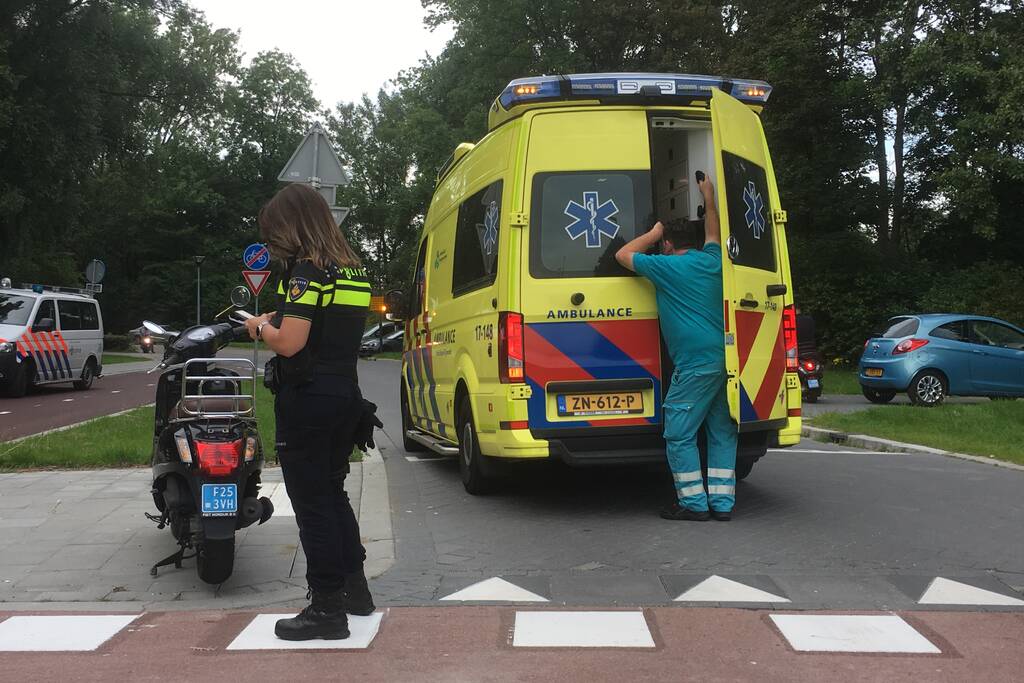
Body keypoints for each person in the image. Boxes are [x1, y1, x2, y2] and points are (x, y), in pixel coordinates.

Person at [245, 183, 378, 641]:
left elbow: (291, 341)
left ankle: (325, 608)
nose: (273, 241)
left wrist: (261, 325)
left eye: (274, 231)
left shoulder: (307, 273)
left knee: (312, 503)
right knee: (334, 493)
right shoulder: (354, 273)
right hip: (346, 396)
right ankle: (355, 591)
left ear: (292, 225)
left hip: (309, 399)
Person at [615, 175, 738, 521]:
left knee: (679, 433)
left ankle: (693, 503)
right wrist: (708, 197)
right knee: (720, 431)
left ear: (668, 244)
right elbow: (713, 232)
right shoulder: (713, 261)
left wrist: (654, 232)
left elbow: (623, 254)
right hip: (725, 360)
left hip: (695, 365)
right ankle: (722, 503)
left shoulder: (665, 267)